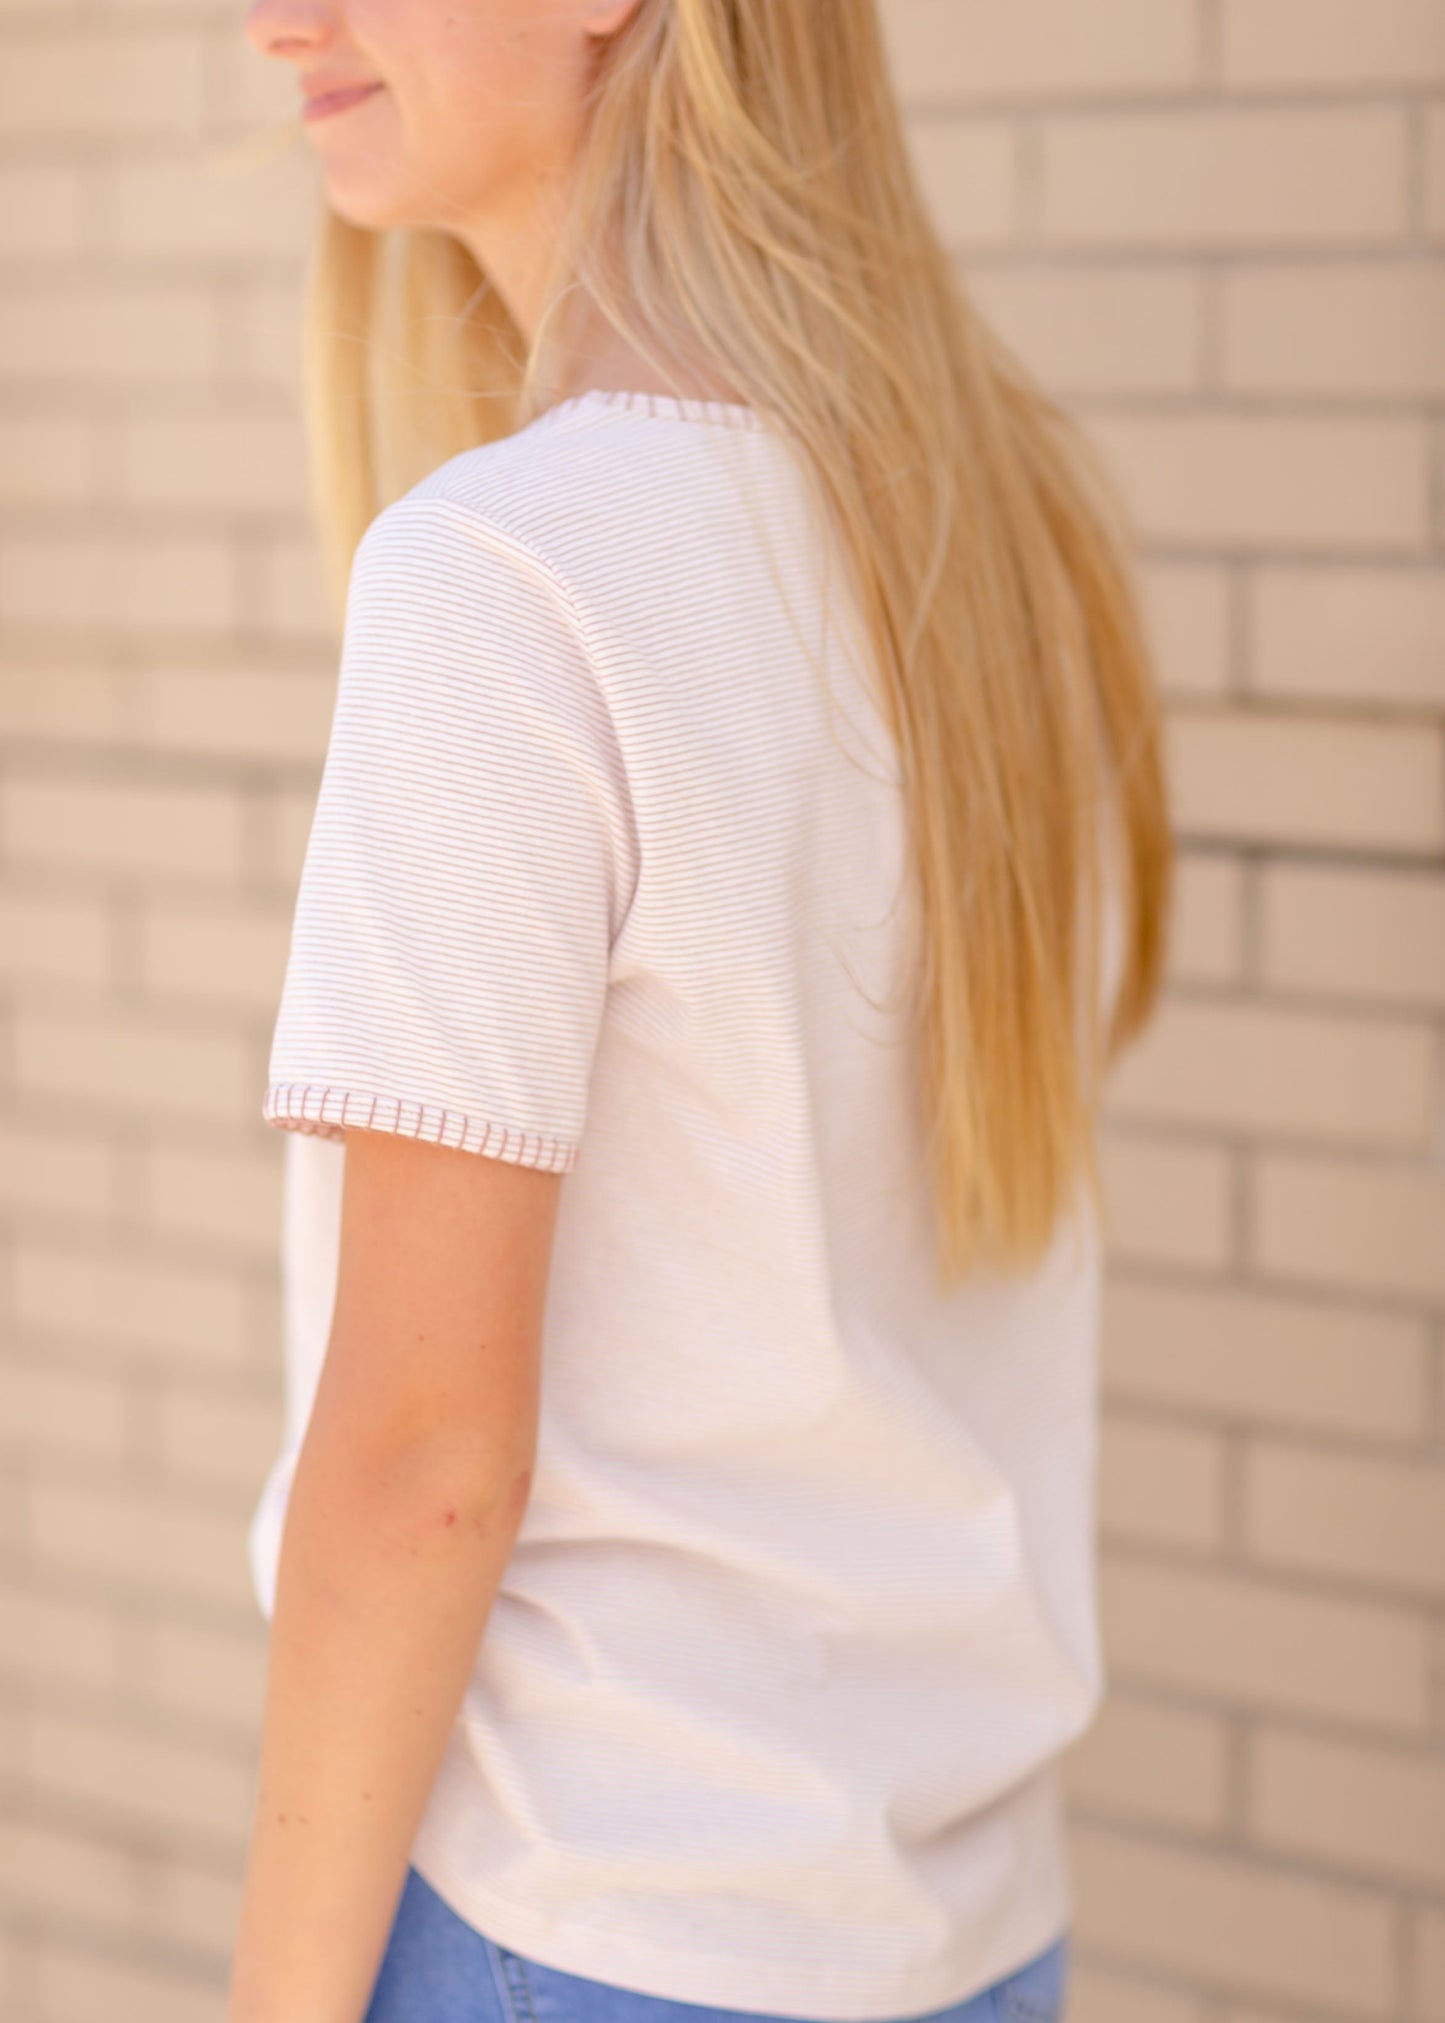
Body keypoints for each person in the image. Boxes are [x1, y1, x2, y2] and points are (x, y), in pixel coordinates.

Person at [227, 5, 1174, 2023]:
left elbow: (418, 1463)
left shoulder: (503, 581)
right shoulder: (1002, 540)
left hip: (586, 1931)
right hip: (969, 1934)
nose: (271, 18)